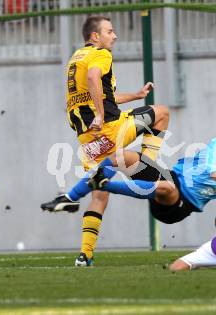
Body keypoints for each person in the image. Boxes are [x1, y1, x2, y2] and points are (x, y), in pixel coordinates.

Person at [41, 16, 169, 266]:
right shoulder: (101, 54)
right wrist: (101, 115)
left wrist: (136, 95)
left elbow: (100, 93)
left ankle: (84, 256)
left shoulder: (77, 57)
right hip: (111, 129)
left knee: (99, 194)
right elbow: (93, 78)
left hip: (88, 140)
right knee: (162, 112)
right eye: (110, 31)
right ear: (95, 36)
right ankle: (147, 166)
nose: (115, 36)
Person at [43, 114, 216, 248]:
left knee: (167, 188)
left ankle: (103, 184)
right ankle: (70, 198)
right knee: (121, 156)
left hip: (180, 206)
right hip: (171, 177)